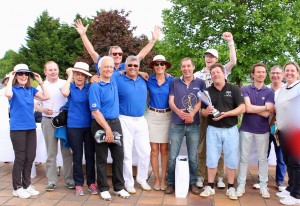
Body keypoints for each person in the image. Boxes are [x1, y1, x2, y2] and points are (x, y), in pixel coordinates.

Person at [194, 32, 237, 189]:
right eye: (207, 56)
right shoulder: (198, 74)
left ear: (217, 60)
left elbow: (233, 60)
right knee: (203, 147)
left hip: (223, 114)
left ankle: (219, 177)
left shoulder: (221, 70)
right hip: (205, 114)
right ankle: (200, 175)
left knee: (222, 148)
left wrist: (230, 42)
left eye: (212, 56)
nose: (209, 58)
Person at [199, 63, 245, 200]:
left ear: (224, 73)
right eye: (213, 73)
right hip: (213, 130)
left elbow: (242, 108)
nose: (215, 75)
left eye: (218, 72)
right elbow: (202, 111)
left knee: (231, 159)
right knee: (211, 158)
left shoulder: (234, 89)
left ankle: (231, 187)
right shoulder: (207, 91)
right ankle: (210, 186)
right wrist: (205, 112)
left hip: (231, 130)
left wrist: (228, 114)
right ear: (211, 76)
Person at [89, 56, 130, 200]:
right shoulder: (95, 86)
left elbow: (132, 65)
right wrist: (107, 129)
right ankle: (103, 188)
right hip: (101, 124)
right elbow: (95, 111)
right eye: (105, 66)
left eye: (111, 67)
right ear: (99, 69)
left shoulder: (114, 81)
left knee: (119, 156)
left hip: (115, 123)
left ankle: (119, 187)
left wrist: (143, 73)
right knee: (101, 157)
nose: (108, 69)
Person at [5, 64, 49, 198]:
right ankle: (17, 188)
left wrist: (40, 81)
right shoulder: (12, 89)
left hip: (30, 127)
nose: (23, 76)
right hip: (17, 128)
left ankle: (26, 185)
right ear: (16, 75)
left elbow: (46, 96)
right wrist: (10, 78)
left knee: (30, 157)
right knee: (20, 158)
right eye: (20, 73)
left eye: (26, 74)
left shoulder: (30, 90)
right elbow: (7, 94)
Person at [165, 57, 206, 195]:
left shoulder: (200, 83)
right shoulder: (174, 82)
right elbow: (171, 101)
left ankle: (193, 182)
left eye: (188, 66)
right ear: (181, 68)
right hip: (176, 124)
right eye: (183, 66)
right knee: (172, 156)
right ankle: (170, 183)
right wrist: (179, 112)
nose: (186, 68)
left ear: (193, 67)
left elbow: (201, 101)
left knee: (193, 157)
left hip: (193, 125)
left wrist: (192, 114)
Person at [34, 61, 75, 191]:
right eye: (50, 70)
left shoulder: (65, 83)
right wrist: (43, 110)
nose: (53, 72)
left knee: (66, 152)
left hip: (63, 122)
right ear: (45, 72)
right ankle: (51, 181)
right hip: (47, 121)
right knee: (51, 152)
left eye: (55, 69)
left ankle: (69, 180)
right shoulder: (41, 86)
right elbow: (35, 104)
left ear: (58, 70)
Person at [237, 63, 275, 199]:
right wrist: (263, 108)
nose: (261, 74)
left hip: (262, 130)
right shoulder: (245, 88)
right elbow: (247, 108)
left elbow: (268, 113)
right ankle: (240, 184)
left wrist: (254, 108)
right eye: (258, 72)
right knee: (243, 158)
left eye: (263, 72)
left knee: (263, 159)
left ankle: (263, 186)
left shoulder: (270, 92)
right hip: (246, 129)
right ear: (252, 74)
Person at [61, 62, 98, 196]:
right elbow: (64, 93)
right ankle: (78, 184)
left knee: (89, 156)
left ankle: (91, 183)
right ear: (74, 75)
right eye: (77, 74)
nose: (80, 77)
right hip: (74, 126)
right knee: (77, 157)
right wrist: (70, 76)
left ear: (86, 76)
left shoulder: (90, 87)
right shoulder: (70, 87)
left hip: (89, 126)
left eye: (82, 74)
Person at [74, 19, 160, 73]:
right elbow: (92, 52)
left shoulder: (126, 66)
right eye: (115, 54)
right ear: (109, 55)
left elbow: (141, 55)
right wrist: (83, 35)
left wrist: (153, 41)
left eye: (120, 54)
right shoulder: (102, 63)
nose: (118, 56)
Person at [252, 65, 287, 192]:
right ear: (269, 75)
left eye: (278, 73)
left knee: (281, 156)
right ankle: (261, 179)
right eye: (273, 73)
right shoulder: (265, 89)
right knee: (263, 155)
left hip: (281, 129)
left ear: (282, 75)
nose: (275, 76)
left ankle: (280, 181)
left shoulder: (286, 89)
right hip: (265, 127)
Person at [145, 55, 173, 191]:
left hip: (167, 116)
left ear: (166, 66)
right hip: (152, 116)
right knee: (154, 150)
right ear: (153, 67)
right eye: (156, 64)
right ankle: (156, 179)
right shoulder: (148, 79)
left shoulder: (172, 80)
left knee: (164, 150)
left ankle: (164, 179)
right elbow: (130, 72)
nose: (159, 66)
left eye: (162, 64)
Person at [275, 61, 300, 205]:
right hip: (283, 131)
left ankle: (297, 195)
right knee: (288, 160)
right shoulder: (284, 88)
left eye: (292, 70)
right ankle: (291, 187)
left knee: (296, 163)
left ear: (297, 72)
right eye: (287, 70)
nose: (289, 73)